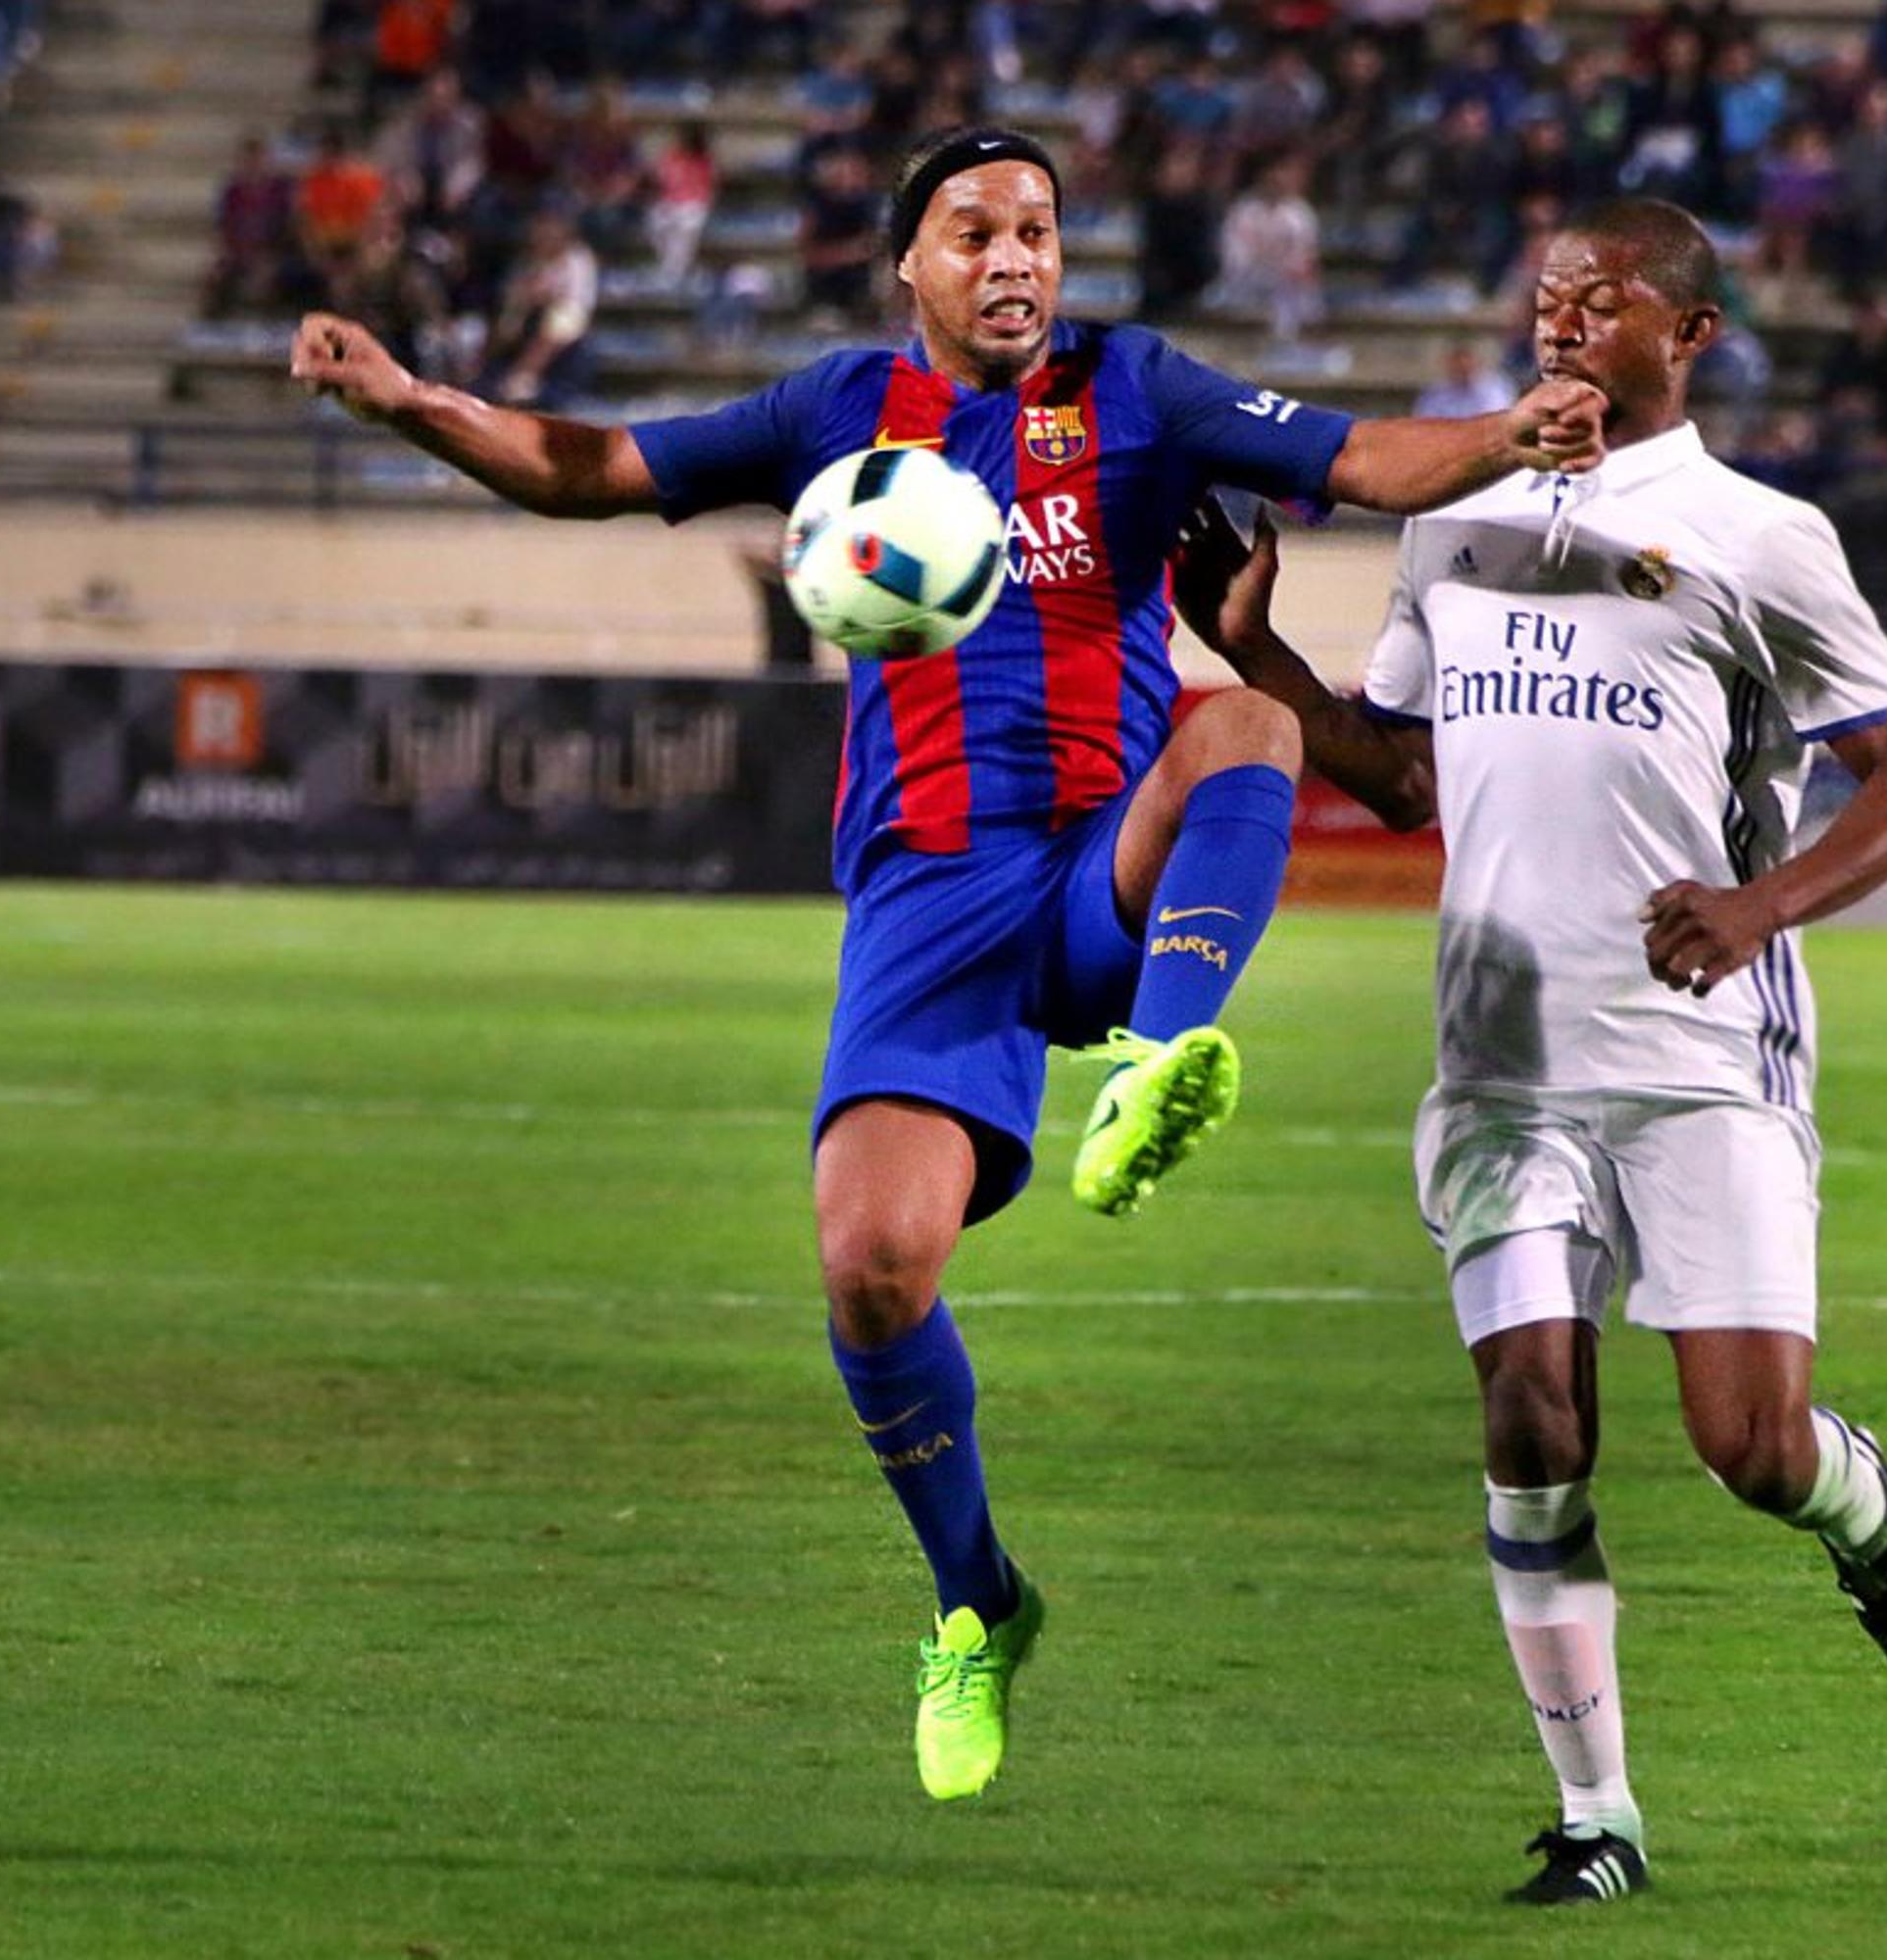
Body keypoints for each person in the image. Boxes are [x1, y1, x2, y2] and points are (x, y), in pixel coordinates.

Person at [289, 126, 1605, 1803]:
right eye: (974, 230)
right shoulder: (835, 410)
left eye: (1039, 230)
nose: (1013, 258)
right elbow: (587, 462)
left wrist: (1504, 432)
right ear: (908, 263)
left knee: (1251, 721)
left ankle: (1158, 1056)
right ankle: (976, 1603)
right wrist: (414, 402)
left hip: (1098, 853)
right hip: (925, 898)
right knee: (873, 1273)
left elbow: (1365, 461)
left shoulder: (1138, 389)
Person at [1175, 198, 1887, 1904]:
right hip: (1504, 1054)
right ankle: (1597, 1819)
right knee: (1531, 1412)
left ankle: (1865, 1515)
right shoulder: (1451, 522)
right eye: (1546, 299)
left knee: (1750, 1444)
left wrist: (1760, 909)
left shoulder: (1765, 536)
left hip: (1697, 1058)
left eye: (1602, 305)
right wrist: (1252, 652)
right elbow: (1399, 780)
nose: (1562, 326)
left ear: (1688, 336)